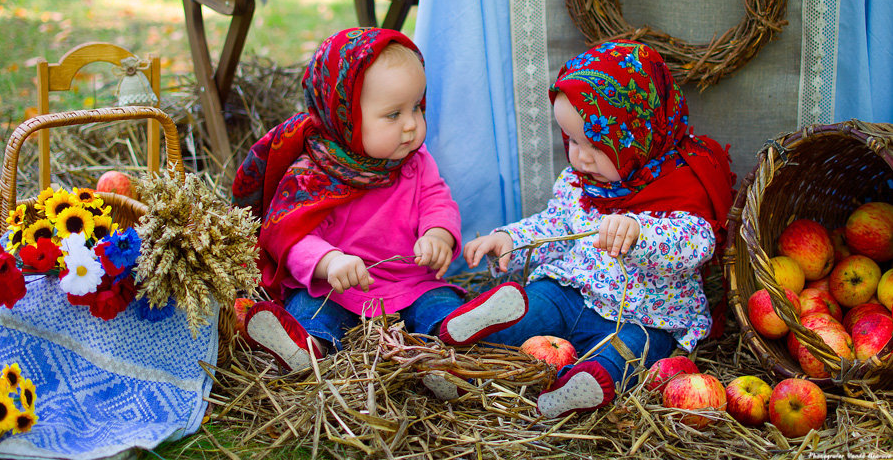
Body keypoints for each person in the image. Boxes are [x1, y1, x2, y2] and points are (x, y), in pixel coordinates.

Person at [231, 27, 527, 377]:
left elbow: (436, 199)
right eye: (393, 114)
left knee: (435, 302)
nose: (411, 126)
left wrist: (437, 235)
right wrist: (330, 262)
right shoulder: (314, 174)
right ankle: (306, 346)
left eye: (416, 108)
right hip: (339, 288)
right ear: (345, 117)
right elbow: (290, 237)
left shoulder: (415, 161)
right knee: (312, 308)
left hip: (408, 282)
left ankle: (453, 329)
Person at [463, 40, 735, 418]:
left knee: (634, 348)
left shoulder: (680, 186)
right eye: (572, 140)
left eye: (597, 143)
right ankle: (479, 334)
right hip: (569, 291)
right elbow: (555, 225)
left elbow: (696, 243)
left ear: (639, 135)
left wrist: (640, 233)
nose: (580, 155)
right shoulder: (578, 182)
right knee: (538, 304)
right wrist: (511, 239)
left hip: (644, 313)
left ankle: (589, 382)